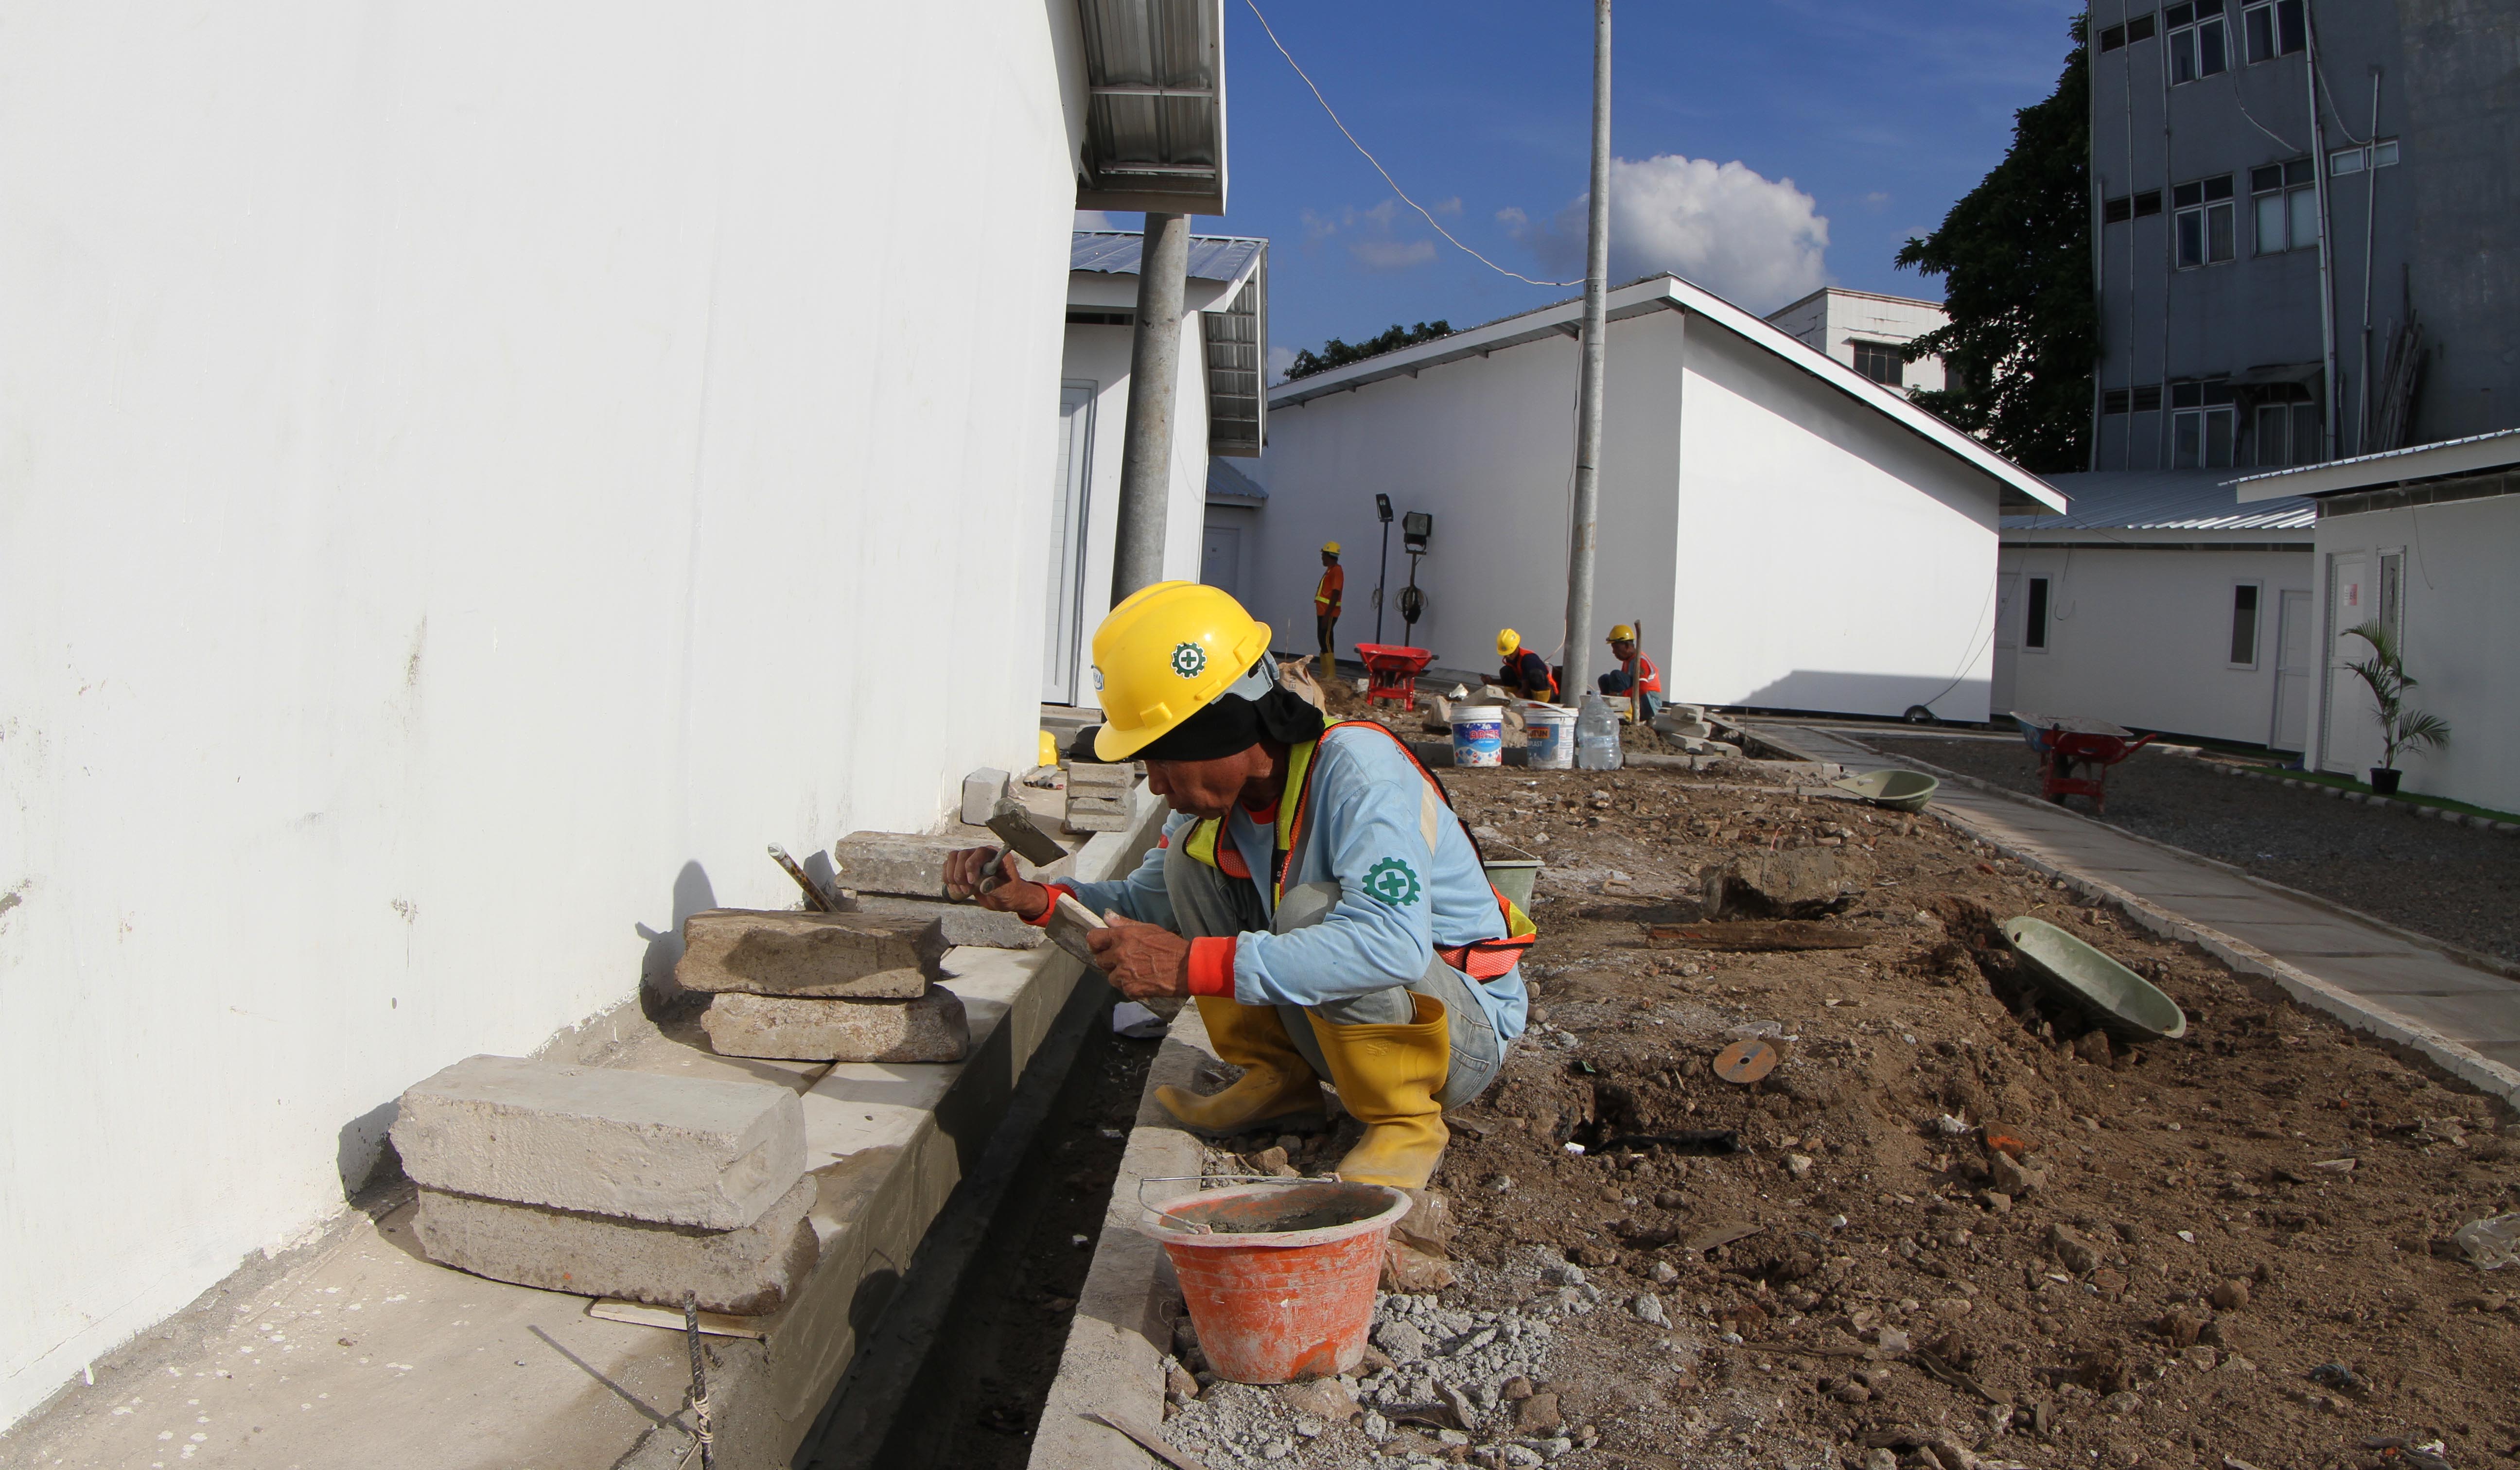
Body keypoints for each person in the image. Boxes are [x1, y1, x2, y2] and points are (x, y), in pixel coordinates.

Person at [945, 582, 1534, 1189]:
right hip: (1352, 1028)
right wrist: (1038, 899)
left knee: (1312, 911)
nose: (1155, 784)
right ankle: (1279, 1082)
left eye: (1162, 759)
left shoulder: (1360, 773)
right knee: (1186, 867)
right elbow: (1143, 906)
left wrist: (1193, 965)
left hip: (1458, 1038)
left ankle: (1403, 1120)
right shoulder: (1215, 811)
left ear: (1223, 731)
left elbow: (1393, 946)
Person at [1596, 623, 1662, 718]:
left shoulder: (1640, 661)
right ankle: (1609, 710)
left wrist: (1620, 695)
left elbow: (1642, 689)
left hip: (1649, 704)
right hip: (1640, 699)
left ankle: (1625, 713)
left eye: (1616, 648)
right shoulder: (1628, 661)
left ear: (1627, 646)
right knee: (1604, 679)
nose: (1614, 652)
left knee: (1616, 675)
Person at [1494, 628, 1557, 702]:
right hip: (1529, 690)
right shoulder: (1511, 658)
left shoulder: (1529, 660)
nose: (1507, 656)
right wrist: (1492, 681)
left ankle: (1541, 703)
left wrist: (1511, 701)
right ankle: (1514, 698)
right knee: (1505, 671)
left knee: (1535, 675)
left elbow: (1526, 689)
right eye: (1505, 654)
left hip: (1548, 693)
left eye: (1510, 653)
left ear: (1517, 647)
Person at [1312, 542, 1344, 668]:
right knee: (1322, 639)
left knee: (1327, 640)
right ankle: (1325, 673)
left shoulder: (1337, 571)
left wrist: (1327, 615)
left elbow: (1336, 593)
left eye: (1323, 555)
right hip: (1323, 612)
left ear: (1329, 555)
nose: (1322, 558)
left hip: (1328, 613)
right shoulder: (1330, 571)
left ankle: (1330, 674)